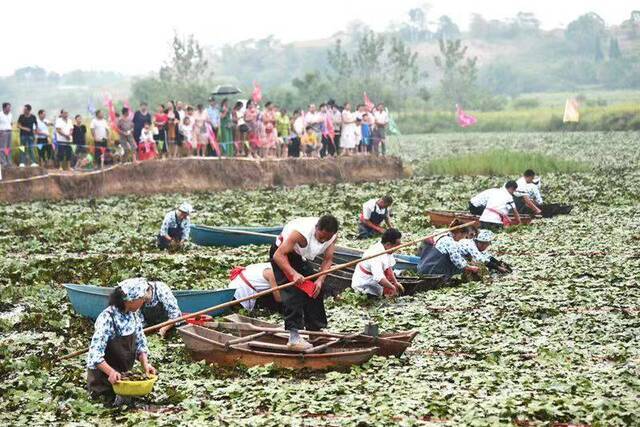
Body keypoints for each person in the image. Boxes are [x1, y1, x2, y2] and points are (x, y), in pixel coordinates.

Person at [270, 215, 339, 351]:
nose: (323, 241)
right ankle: (294, 337)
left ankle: (315, 330)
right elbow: (278, 255)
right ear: (316, 229)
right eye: (321, 237)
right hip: (283, 255)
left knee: (315, 289)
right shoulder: (301, 234)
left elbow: (328, 260)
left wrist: (320, 280)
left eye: (327, 238)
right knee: (293, 292)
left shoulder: (332, 236)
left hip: (300, 257)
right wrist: (293, 274)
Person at [86, 280, 156, 402]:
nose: (143, 302)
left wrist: (145, 364)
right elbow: (95, 355)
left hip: (123, 380)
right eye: (141, 299)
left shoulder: (134, 315)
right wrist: (111, 372)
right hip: (102, 382)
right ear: (130, 300)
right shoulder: (107, 318)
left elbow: (140, 343)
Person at [116, 278, 182, 337]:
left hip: (173, 328)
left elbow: (175, 315)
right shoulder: (136, 300)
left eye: (139, 297)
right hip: (153, 330)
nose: (137, 300)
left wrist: (164, 329)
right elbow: (141, 322)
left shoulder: (161, 289)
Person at [351, 228, 405, 298]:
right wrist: (392, 287)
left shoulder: (387, 249)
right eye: (396, 245)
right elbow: (379, 278)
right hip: (364, 285)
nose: (397, 248)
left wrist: (395, 282)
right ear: (388, 244)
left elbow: (389, 267)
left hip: (374, 282)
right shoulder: (376, 255)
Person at [0, 102, 12, 168]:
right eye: (8, 107)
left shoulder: (10, 114)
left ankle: (9, 162)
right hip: (2, 132)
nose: (10, 109)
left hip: (9, 131)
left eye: (10, 107)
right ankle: (3, 162)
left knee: (8, 148)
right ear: (4, 108)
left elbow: (10, 123)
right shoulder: (0, 114)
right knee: (2, 148)